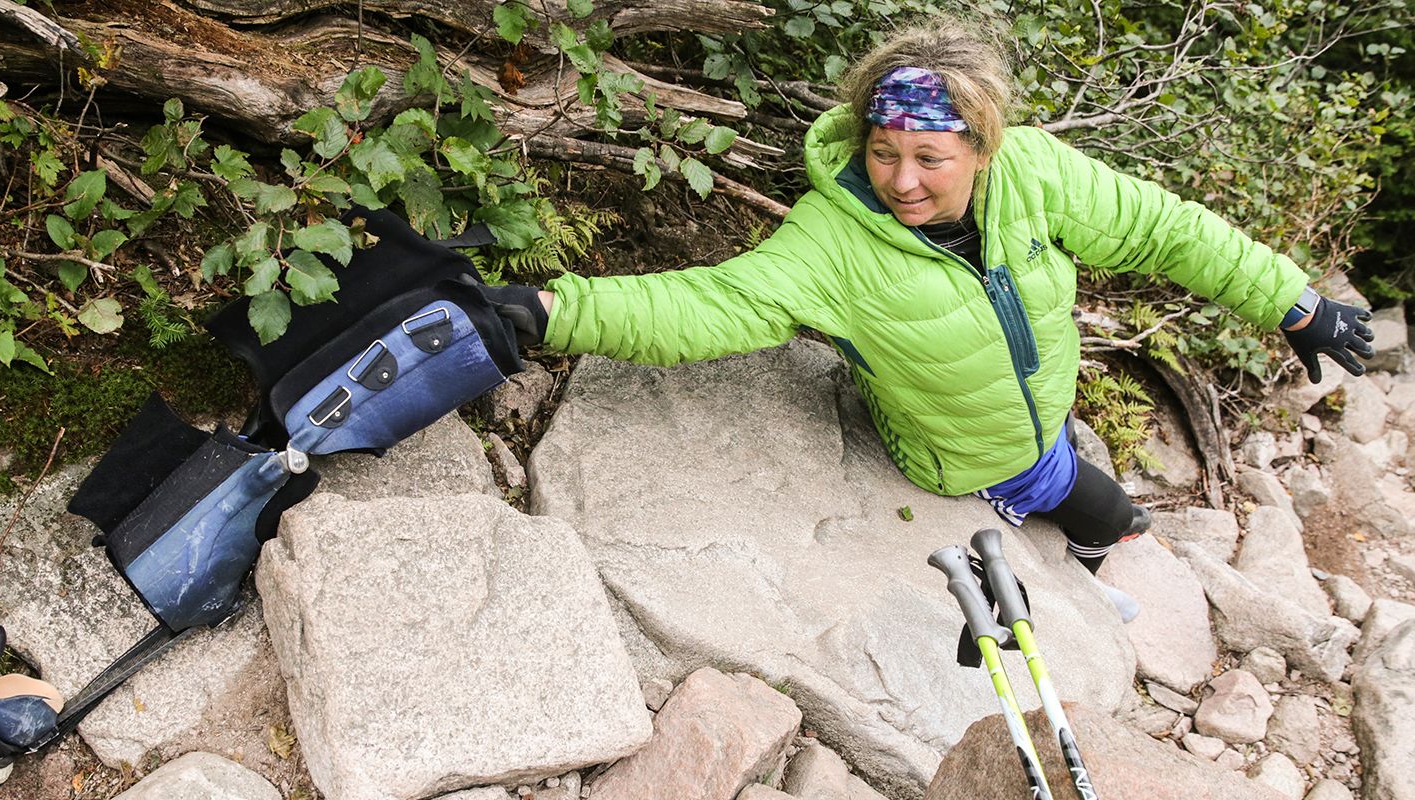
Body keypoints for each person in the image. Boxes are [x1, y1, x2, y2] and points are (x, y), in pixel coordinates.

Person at [481, 20, 1375, 619]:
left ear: (982, 149)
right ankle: (1094, 535)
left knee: (1076, 484)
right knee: (1040, 482)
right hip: (955, 455)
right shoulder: (833, 237)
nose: (902, 180)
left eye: (930, 158)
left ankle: (1112, 532)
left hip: (1043, 412)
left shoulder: (1034, 174)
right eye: (883, 152)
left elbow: (1166, 228)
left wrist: (1293, 303)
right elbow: (713, 303)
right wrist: (549, 311)